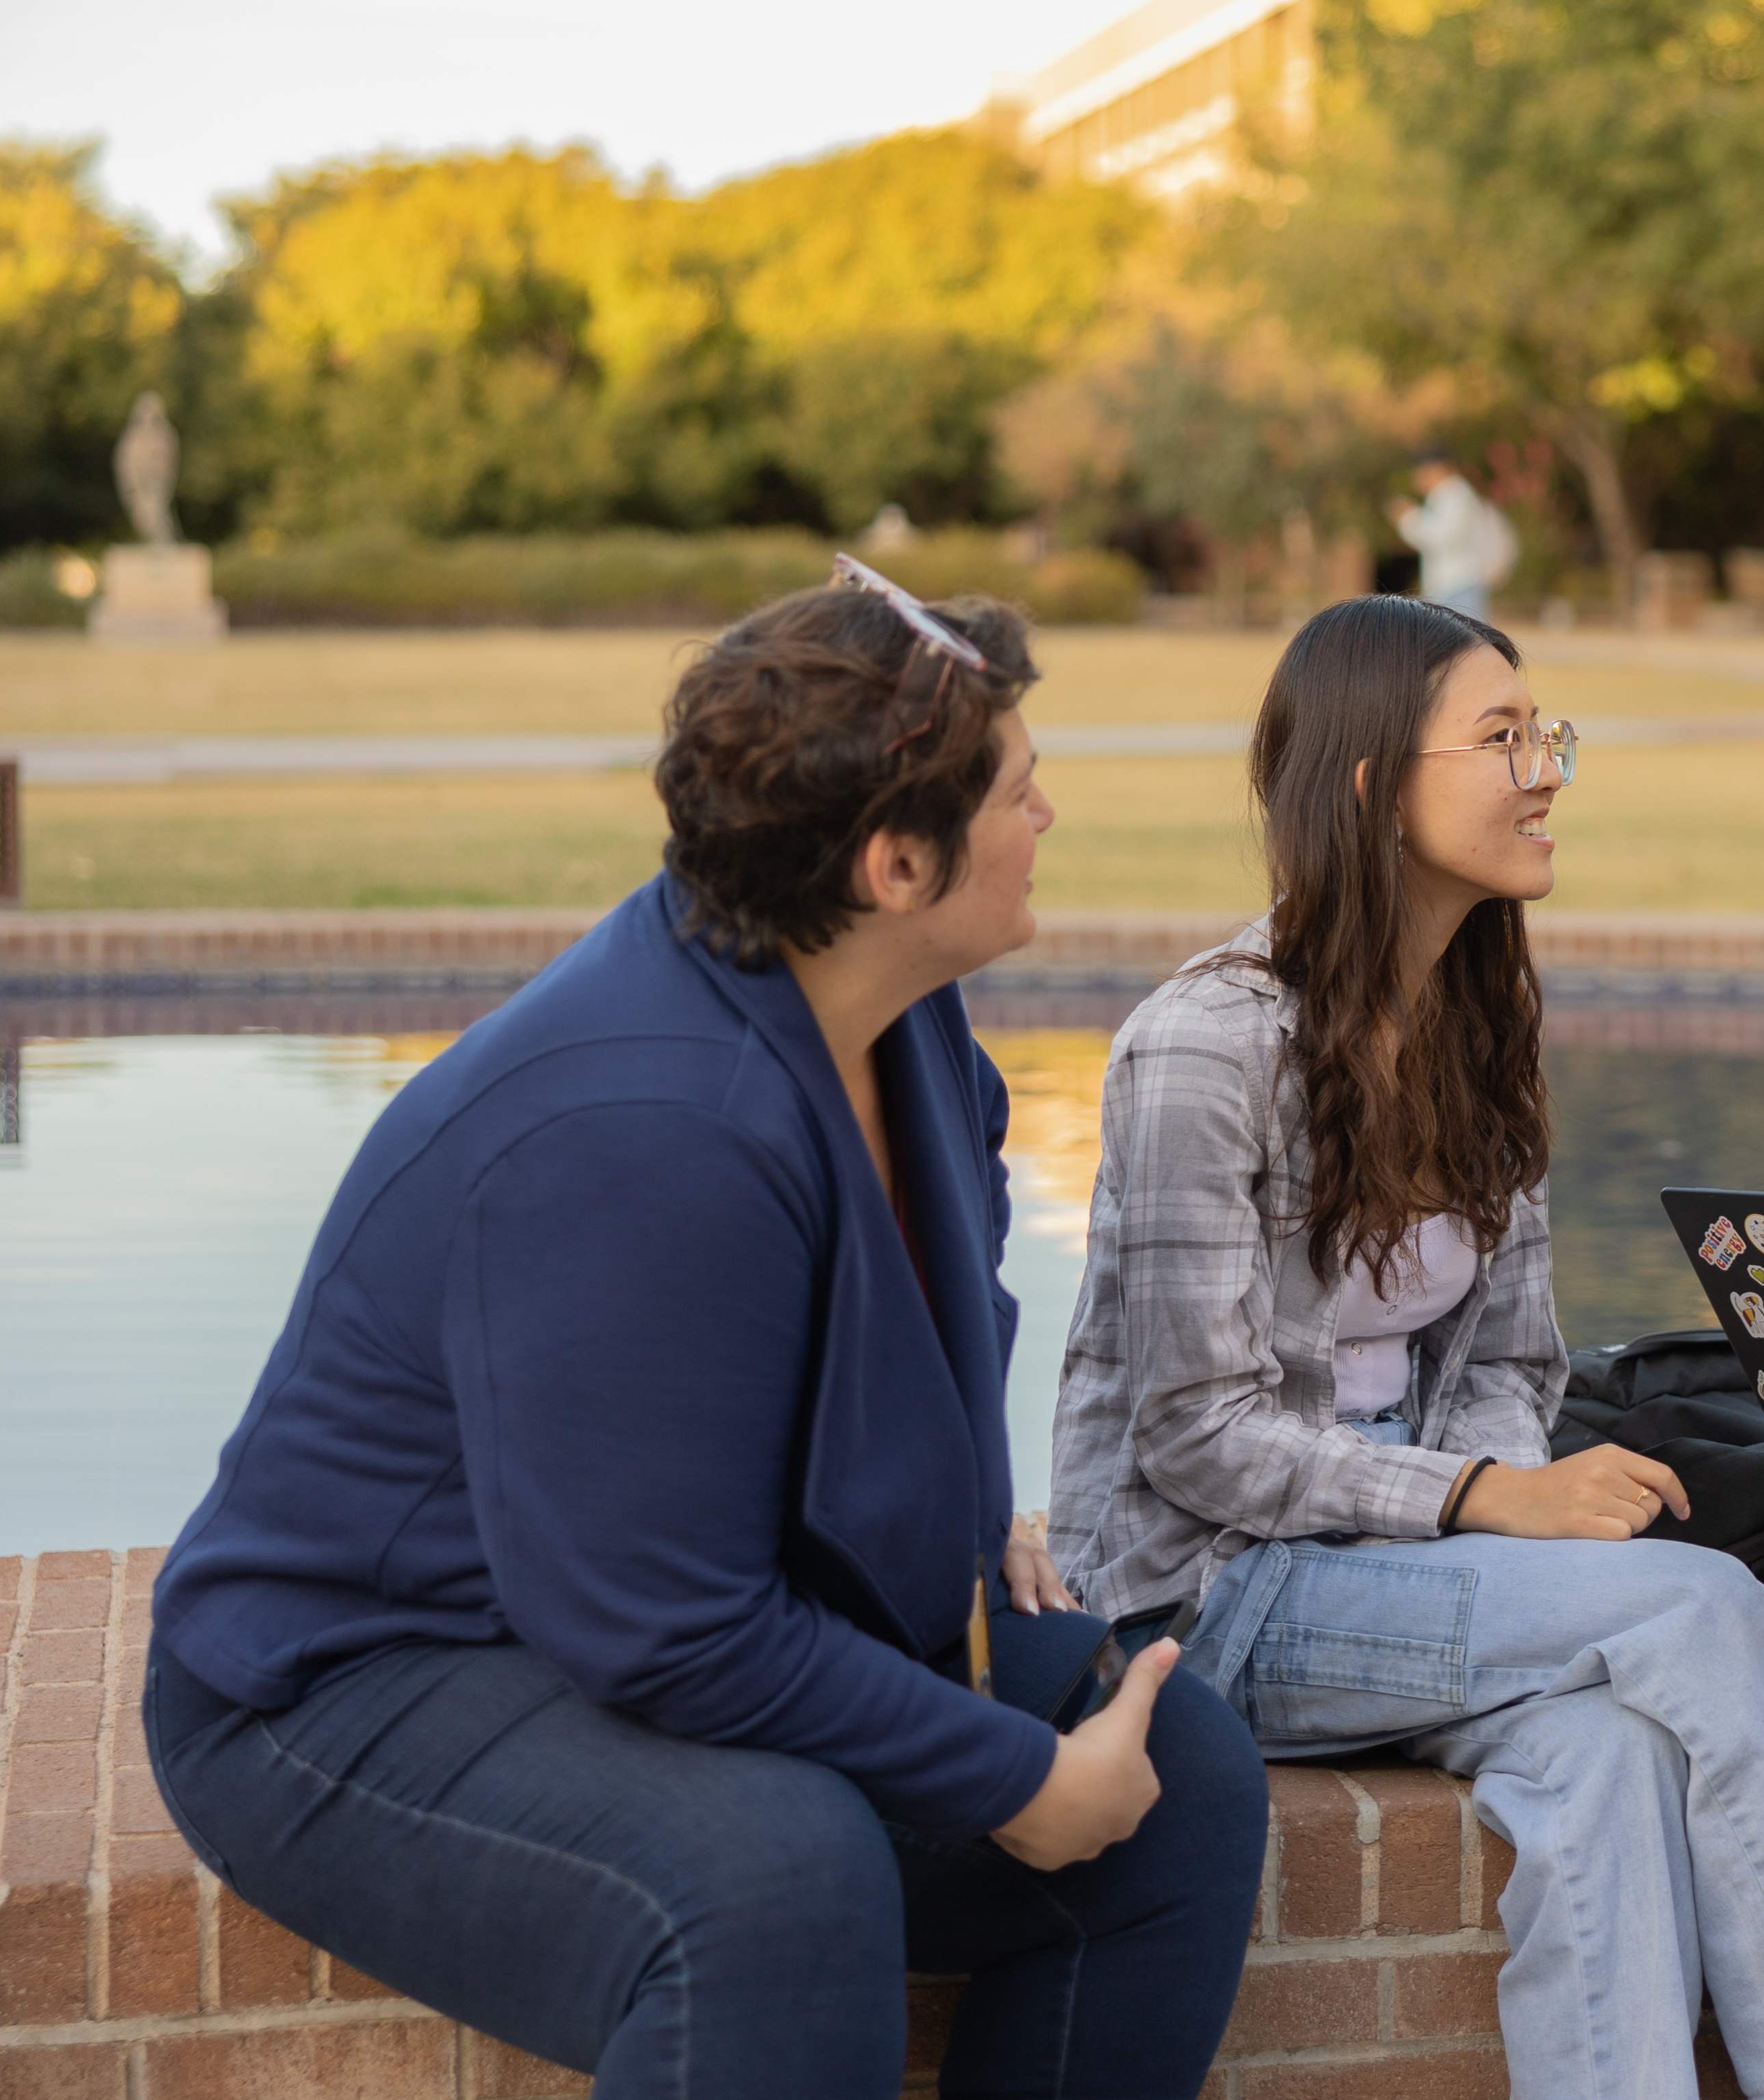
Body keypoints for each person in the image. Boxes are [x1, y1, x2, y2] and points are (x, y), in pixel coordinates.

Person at [140, 567, 1270, 2100]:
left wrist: (966, 1518)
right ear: (893, 861)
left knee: (1180, 1781)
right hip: (359, 1680)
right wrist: (1010, 1776)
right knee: (775, 1882)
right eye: (1018, 788)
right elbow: (663, 1625)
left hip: (648, 1613)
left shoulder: (902, 1016)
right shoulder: (644, 1125)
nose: (1047, 815)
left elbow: (946, 1304)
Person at [1050, 594, 1764, 2100]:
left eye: (1548, 734)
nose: (1545, 768)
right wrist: (1483, 1503)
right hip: (1198, 1600)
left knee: (1608, 1756)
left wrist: (1483, 1498)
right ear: (1369, 787)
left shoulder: (1488, 1025)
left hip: (1386, 1572)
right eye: (1501, 737)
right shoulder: (1204, 1045)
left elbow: (1510, 1365)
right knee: (1698, 1611)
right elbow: (1193, 1435)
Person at [1388, 451, 1519, 621]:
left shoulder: (1455, 496)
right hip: (1452, 587)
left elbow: (1441, 539)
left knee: (1466, 644)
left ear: (1436, 469)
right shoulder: (1446, 496)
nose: (1416, 477)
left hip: (1459, 585)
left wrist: (1408, 517)